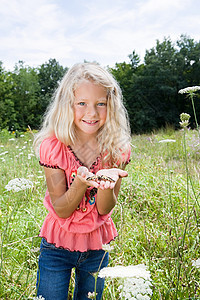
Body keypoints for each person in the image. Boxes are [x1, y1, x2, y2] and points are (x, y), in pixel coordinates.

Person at [34, 62, 131, 300]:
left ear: (111, 105)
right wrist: (80, 183)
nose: (92, 113)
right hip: (57, 246)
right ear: (68, 105)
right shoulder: (54, 147)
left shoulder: (116, 149)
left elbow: (104, 208)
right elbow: (62, 209)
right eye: (82, 104)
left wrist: (106, 185)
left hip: (97, 247)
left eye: (101, 103)